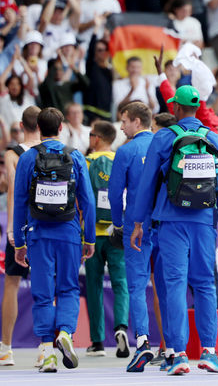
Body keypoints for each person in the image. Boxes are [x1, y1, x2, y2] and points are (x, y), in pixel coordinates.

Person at [129, 85, 218, 375]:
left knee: (174, 285)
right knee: (204, 285)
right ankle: (210, 353)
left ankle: (178, 355)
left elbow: (147, 182)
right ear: (198, 108)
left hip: (172, 221)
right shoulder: (213, 137)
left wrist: (139, 222)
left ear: (175, 108)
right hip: (204, 222)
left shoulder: (164, 137)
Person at [12, 107, 96, 373]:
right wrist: (90, 238)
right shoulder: (76, 156)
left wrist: (20, 242)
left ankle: (47, 352)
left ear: (38, 127)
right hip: (69, 232)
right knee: (69, 288)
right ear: (61, 128)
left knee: (43, 294)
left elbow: (19, 202)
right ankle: (66, 334)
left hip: (38, 234)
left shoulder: (28, 158)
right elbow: (88, 202)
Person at [0, 106, 40, 367]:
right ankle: (46, 347)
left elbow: (15, 195)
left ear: (21, 125)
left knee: (11, 283)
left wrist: (10, 229)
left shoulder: (13, 154)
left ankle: (6, 348)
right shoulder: (55, 149)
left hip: (22, 225)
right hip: (48, 227)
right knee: (46, 287)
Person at [108, 102, 157, 372]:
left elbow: (115, 194)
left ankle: (143, 342)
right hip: (165, 224)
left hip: (134, 225)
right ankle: (174, 349)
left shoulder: (125, 151)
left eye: (124, 121)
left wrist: (117, 224)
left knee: (137, 286)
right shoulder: (165, 144)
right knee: (168, 286)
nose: (121, 126)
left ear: (137, 122)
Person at [84, 121, 130, 359]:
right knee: (121, 284)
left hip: (91, 236)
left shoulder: (87, 162)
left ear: (97, 139)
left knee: (93, 287)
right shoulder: (120, 160)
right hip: (117, 233)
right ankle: (121, 327)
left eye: (90, 135)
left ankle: (97, 342)